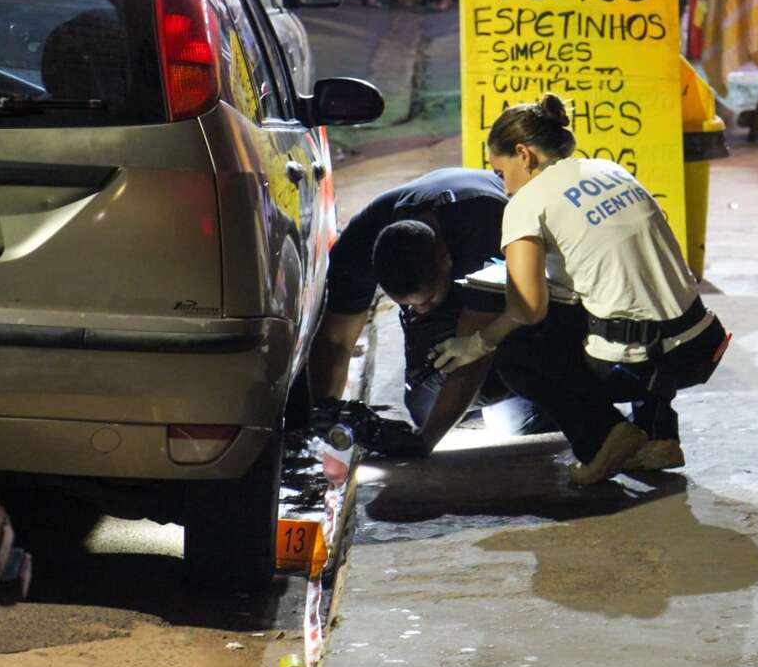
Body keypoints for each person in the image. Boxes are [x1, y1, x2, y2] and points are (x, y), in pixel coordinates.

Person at [433, 94, 729, 484]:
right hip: (697, 344)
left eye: (500, 172)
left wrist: (477, 343)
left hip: (636, 362)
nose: (502, 187)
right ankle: (660, 437)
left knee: (516, 351)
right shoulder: (610, 170)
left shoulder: (526, 204)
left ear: (524, 154)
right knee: (623, 301)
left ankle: (604, 436)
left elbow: (528, 309)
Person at [309, 168, 548, 455]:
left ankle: (562, 389)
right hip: (447, 260)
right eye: (409, 304)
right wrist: (327, 413)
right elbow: (335, 341)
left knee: (512, 423)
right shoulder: (357, 248)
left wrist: (424, 442)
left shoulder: (482, 231)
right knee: (424, 406)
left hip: (530, 299)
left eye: (428, 299)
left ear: (447, 258)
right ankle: (471, 403)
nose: (421, 311)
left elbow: (475, 353)